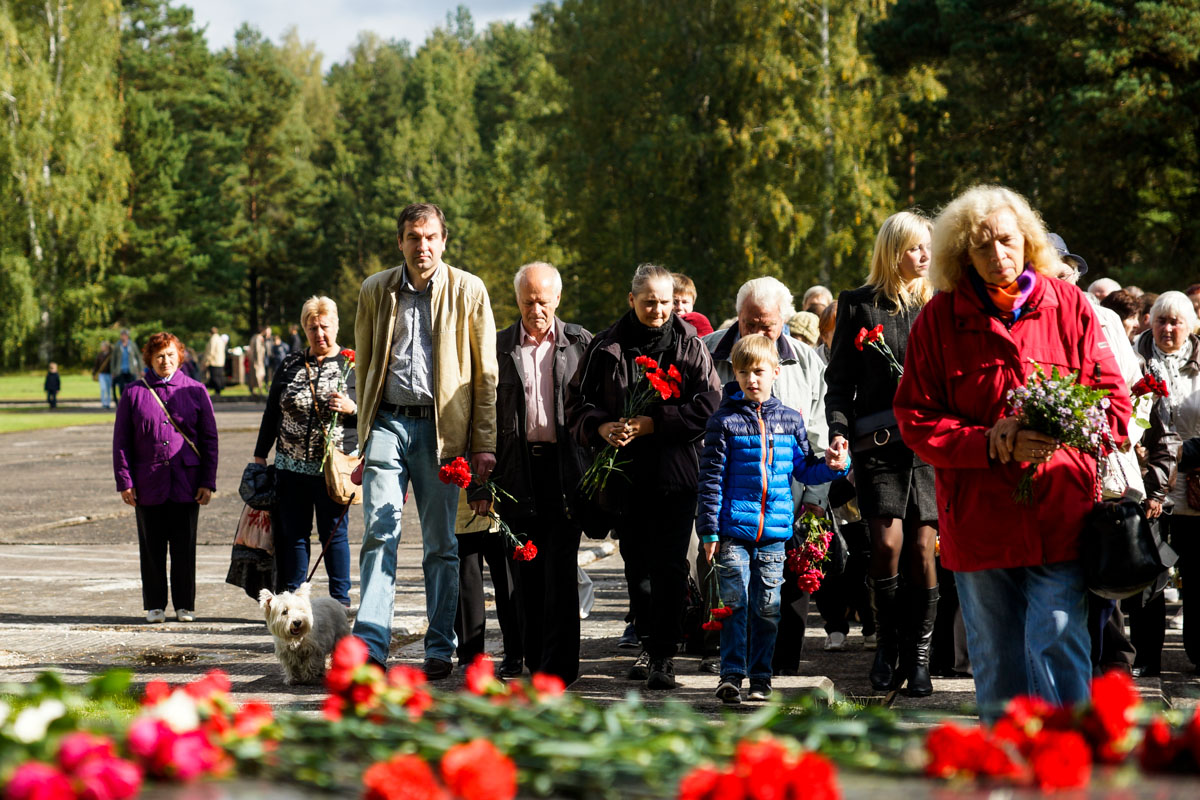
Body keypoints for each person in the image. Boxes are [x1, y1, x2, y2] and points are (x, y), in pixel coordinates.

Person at [894, 185, 1131, 719]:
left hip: (1061, 517)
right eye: (983, 246)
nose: (998, 255)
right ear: (962, 256)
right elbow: (916, 419)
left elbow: (1115, 408)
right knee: (998, 662)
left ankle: (1070, 762)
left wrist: (1061, 426)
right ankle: (1005, 770)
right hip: (980, 522)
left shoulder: (1071, 306)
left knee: (1058, 640)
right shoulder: (939, 319)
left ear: (1027, 240)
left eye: (1006, 240)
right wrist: (988, 441)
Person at [353, 202, 498, 679]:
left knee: (441, 545)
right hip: (388, 424)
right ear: (400, 242)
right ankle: (371, 644)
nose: (423, 246)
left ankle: (439, 646)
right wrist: (362, 435)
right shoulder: (376, 290)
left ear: (444, 240)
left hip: (443, 433)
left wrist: (482, 444)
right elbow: (366, 368)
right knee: (379, 534)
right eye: (414, 237)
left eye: (430, 236)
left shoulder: (469, 290)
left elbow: (485, 376)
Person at [566, 263, 721, 690]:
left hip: (675, 477)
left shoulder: (690, 345)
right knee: (637, 567)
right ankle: (649, 642)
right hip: (626, 477)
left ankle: (663, 655)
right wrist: (600, 427)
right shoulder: (606, 346)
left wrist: (656, 423)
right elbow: (575, 403)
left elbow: (708, 407)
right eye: (649, 301)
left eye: (665, 302)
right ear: (631, 300)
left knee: (670, 566)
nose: (657, 310)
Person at [825, 210, 941, 697]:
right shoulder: (857, 306)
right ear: (893, 252)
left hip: (932, 450)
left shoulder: (944, 304)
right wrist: (838, 432)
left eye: (927, 247)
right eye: (914, 248)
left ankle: (918, 659)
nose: (924, 255)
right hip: (878, 449)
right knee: (888, 547)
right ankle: (886, 647)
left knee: (921, 551)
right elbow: (839, 385)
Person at [698, 334, 849, 705]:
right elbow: (711, 480)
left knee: (768, 605)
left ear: (776, 373)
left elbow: (805, 469)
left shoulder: (790, 420)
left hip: (775, 531)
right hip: (734, 529)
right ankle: (732, 673)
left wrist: (834, 464)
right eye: (744, 372)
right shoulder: (725, 421)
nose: (752, 379)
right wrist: (709, 529)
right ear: (734, 373)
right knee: (734, 604)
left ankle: (761, 677)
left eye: (759, 371)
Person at [701, 277, 830, 676]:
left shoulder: (806, 360)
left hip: (785, 502)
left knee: (778, 597)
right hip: (730, 507)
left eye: (767, 326)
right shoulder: (708, 352)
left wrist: (816, 496)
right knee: (732, 596)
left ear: (785, 321)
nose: (757, 333)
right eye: (749, 323)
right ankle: (731, 668)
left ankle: (774, 670)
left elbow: (816, 435)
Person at [487, 261, 592, 685]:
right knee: (525, 573)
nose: (536, 309)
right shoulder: (497, 348)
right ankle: (534, 662)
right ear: (517, 300)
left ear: (557, 300)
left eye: (544, 301)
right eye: (529, 301)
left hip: (565, 471)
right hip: (517, 471)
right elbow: (484, 414)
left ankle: (562, 669)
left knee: (562, 572)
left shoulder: (581, 343)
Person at [253, 296, 357, 608]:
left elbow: (376, 413)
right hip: (290, 468)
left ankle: (340, 602)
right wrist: (260, 454)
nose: (319, 334)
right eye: (312, 328)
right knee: (294, 536)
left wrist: (354, 409)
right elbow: (272, 411)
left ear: (336, 326)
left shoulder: (353, 365)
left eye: (325, 327)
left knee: (333, 536)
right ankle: (293, 601)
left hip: (332, 471)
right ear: (304, 329)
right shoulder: (290, 364)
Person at [112, 332, 218, 624]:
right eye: (159, 355)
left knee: (185, 547)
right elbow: (121, 441)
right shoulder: (134, 393)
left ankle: (185, 604)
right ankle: (155, 604)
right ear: (149, 359)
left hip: (187, 482)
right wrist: (125, 481)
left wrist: (207, 481)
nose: (165, 361)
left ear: (180, 356)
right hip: (148, 483)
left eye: (171, 354)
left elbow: (209, 440)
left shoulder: (196, 390)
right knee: (152, 547)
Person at [1131, 291, 1200, 675]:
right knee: (1148, 572)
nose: (1168, 328)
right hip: (1146, 484)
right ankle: (1146, 657)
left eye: (1176, 322)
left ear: (1190, 326)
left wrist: (1174, 455)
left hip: (1194, 484)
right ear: (1149, 322)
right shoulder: (1132, 357)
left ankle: (1197, 650)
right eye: (1161, 320)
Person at [671, 272, 714, 336]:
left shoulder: (699, 323)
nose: (679, 307)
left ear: (693, 303)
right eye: (674, 302)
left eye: (685, 302)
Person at [113, 329, 139, 400]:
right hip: (120, 370)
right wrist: (113, 371)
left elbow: (138, 357)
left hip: (131, 370)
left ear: (127, 336)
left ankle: (132, 401)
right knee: (121, 387)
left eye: (125, 335)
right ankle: (123, 402)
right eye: (122, 335)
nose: (123, 337)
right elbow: (113, 359)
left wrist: (141, 369)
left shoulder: (132, 345)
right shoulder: (117, 345)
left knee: (132, 387)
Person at [247, 326, 268, 400]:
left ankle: (253, 390)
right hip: (257, 361)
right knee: (259, 375)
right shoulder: (258, 338)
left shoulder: (253, 337)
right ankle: (260, 390)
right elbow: (258, 350)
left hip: (254, 360)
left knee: (255, 375)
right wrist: (259, 361)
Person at [204, 327, 226, 396]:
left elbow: (211, 351)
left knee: (215, 376)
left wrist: (207, 361)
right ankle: (219, 390)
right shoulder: (220, 339)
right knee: (219, 376)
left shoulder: (213, 339)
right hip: (220, 361)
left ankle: (217, 391)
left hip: (214, 361)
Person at [93, 342, 113, 410]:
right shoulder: (100, 355)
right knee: (103, 388)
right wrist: (94, 373)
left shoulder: (111, 355)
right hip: (102, 374)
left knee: (108, 389)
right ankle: (104, 403)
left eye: (103, 346)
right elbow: (96, 365)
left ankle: (108, 403)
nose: (102, 347)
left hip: (109, 374)